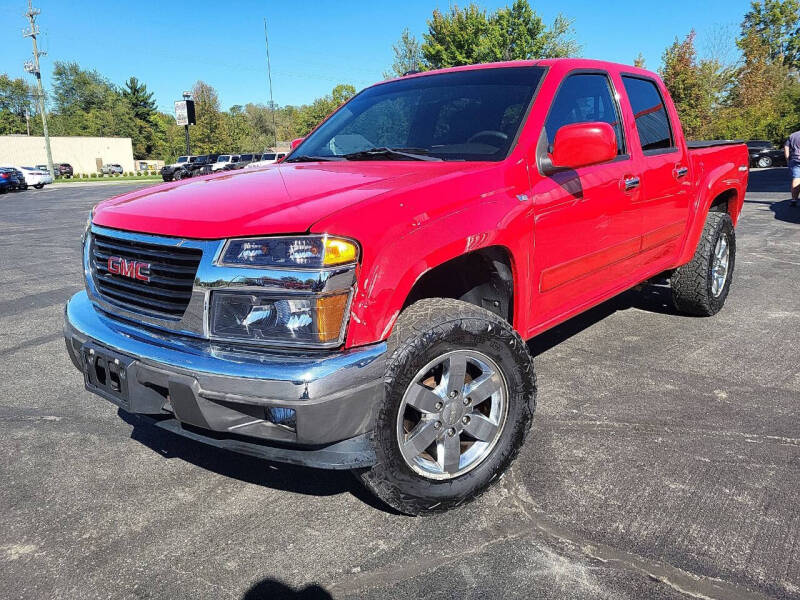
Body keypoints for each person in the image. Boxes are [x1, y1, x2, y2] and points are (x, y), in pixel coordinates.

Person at [783, 130, 800, 206]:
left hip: (795, 160)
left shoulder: (792, 135)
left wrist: (787, 160)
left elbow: (786, 148)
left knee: (796, 179)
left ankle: (794, 200)